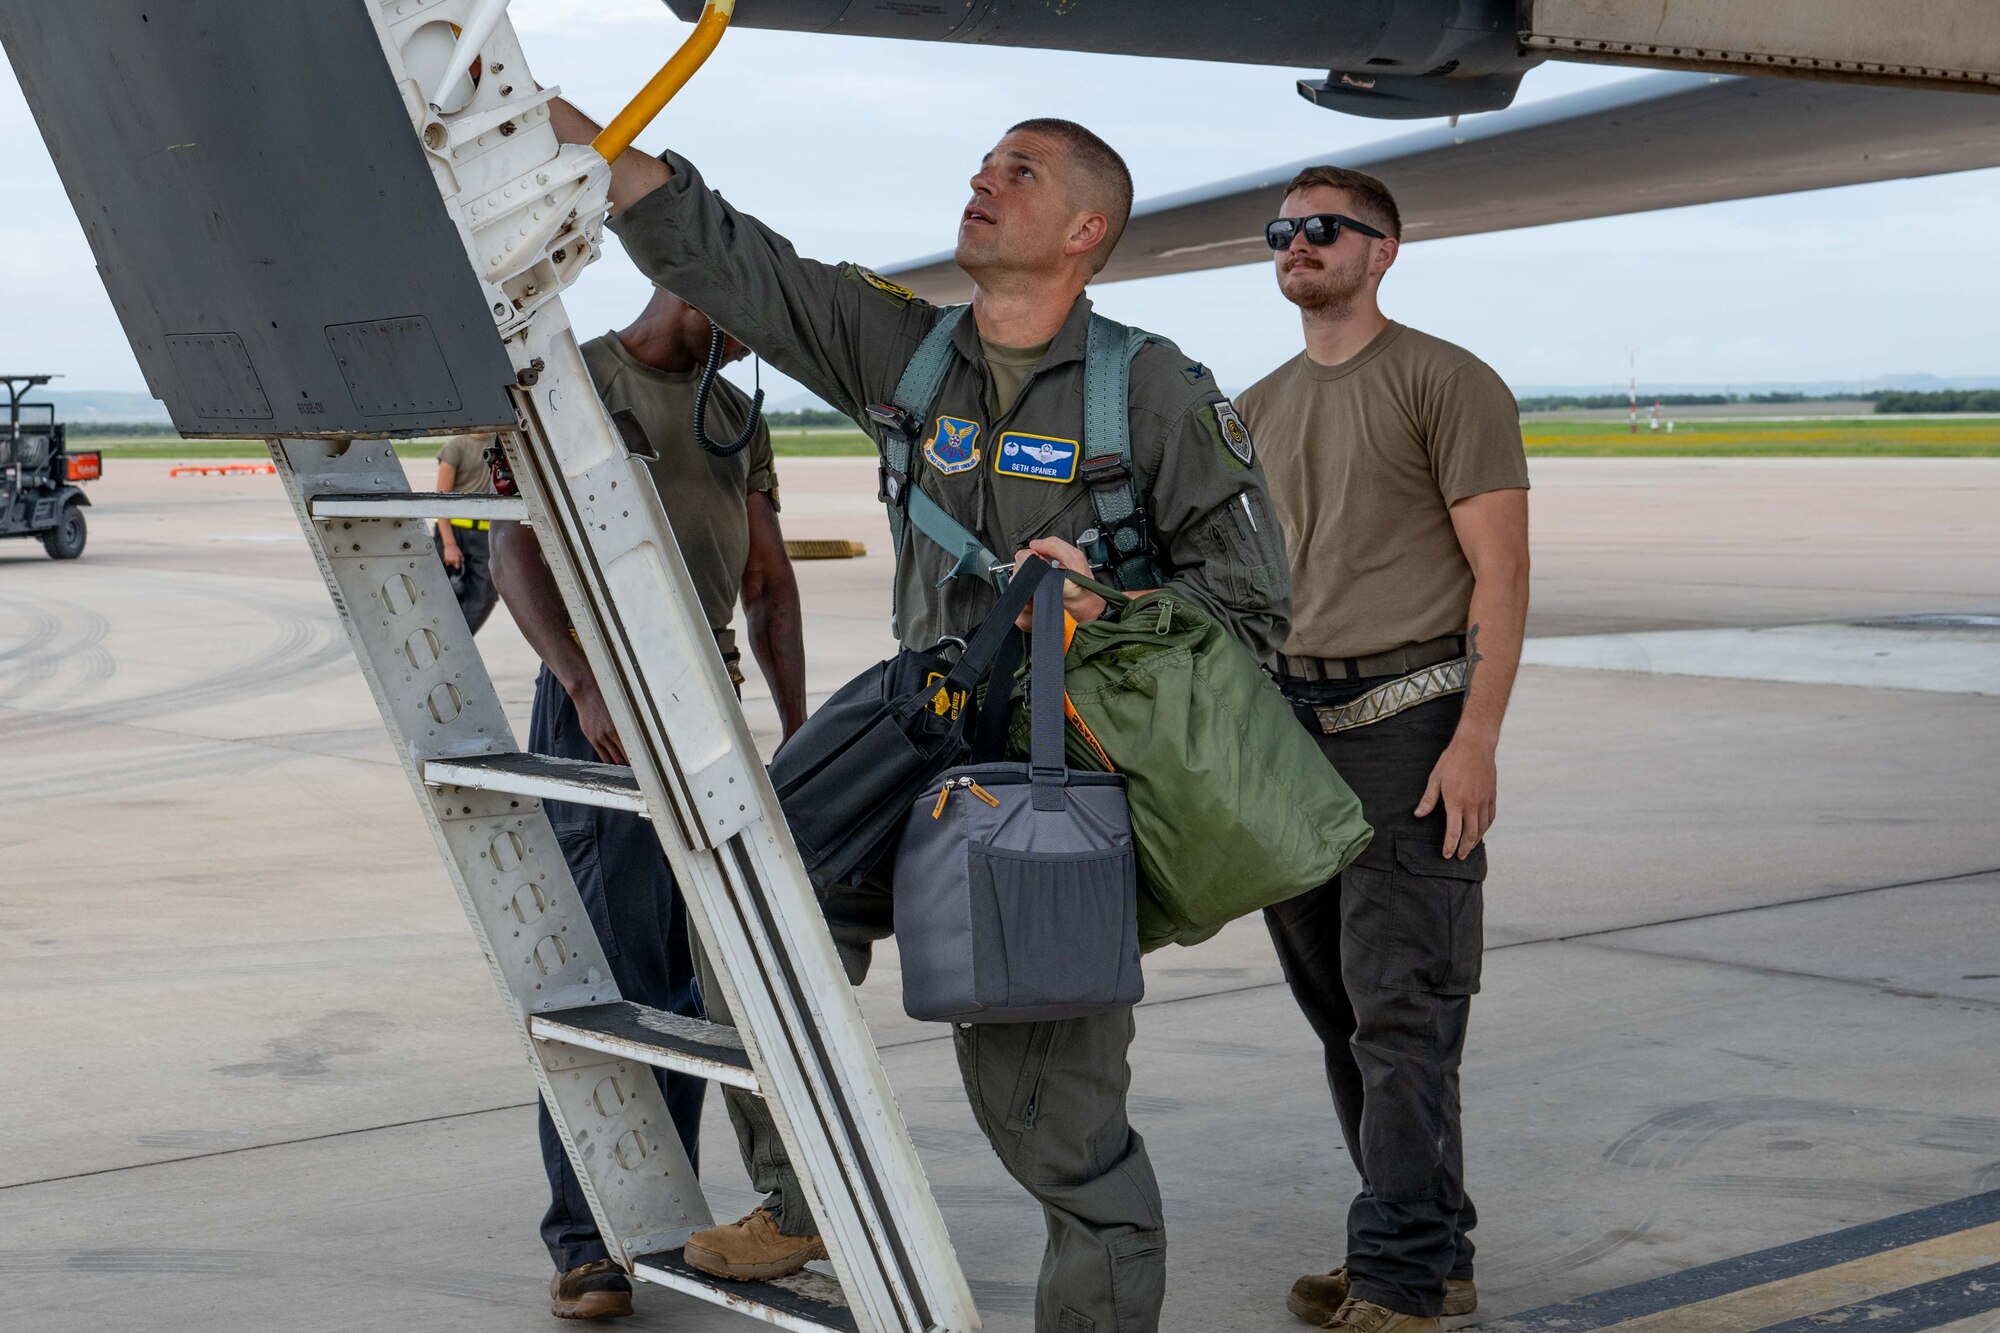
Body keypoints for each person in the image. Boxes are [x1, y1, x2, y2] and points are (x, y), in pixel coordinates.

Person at [548, 101, 1290, 1333]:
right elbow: (735, 259)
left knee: (1054, 1126)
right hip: (912, 720)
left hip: (1052, 775)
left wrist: (1104, 606)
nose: (982, 180)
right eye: (984, 162)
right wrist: (567, 131)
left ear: (1083, 230)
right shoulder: (909, 352)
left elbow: (1254, 607)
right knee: (744, 914)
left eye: (1020, 171)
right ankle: (796, 1196)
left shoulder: (1150, 390)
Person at [1236, 167, 1530, 1333]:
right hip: (1288, 734)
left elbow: (1500, 574)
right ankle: (1426, 1245)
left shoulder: (1444, 381)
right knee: (1339, 1011)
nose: (1294, 246)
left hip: (1407, 727)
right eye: (1280, 233)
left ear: (1383, 250)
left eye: (1320, 229)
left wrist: (1477, 736)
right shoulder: (1253, 403)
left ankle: (1400, 1279)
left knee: (1402, 1011)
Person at [491, 287, 807, 1321]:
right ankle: (589, 1243)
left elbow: (767, 578)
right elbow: (515, 547)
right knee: (616, 979)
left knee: (698, 983)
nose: (760, 328)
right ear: (685, 288)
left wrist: (797, 730)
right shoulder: (574, 381)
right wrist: (583, 685)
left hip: (707, 702)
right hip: (607, 703)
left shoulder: (733, 410)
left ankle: (663, 1223)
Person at [433, 432, 500, 633]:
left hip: (485, 535)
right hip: (454, 532)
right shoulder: (455, 447)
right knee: (442, 594)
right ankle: (442, 642)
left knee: (485, 597)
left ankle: (458, 642)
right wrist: (449, 544)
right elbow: (440, 499)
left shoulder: (498, 444)